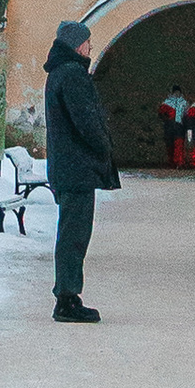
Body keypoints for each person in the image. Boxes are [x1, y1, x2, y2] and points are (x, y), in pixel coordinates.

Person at [44, 17, 120, 322]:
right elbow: (86, 120)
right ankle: (67, 298)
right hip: (76, 168)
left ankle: (68, 294)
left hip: (67, 166)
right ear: (77, 44)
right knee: (74, 235)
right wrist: (104, 145)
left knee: (71, 232)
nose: (90, 46)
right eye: (87, 41)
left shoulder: (59, 73)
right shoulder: (73, 74)